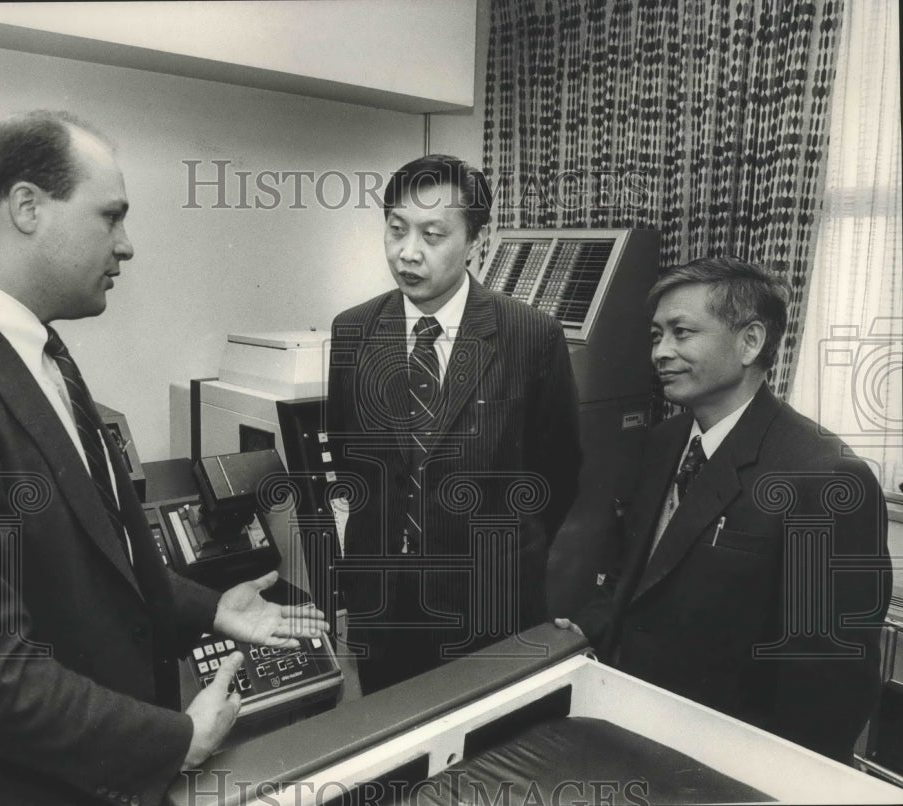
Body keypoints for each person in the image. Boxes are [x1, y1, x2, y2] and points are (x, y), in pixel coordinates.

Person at [0, 111, 328, 806]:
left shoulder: (41, 352)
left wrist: (212, 606)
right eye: (111, 217)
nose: (126, 246)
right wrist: (174, 741)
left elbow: (95, 557)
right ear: (27, 208)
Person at [559, 256, 890, 764]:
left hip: (729, 758)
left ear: (750, 342)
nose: (661, 352)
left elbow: (829, 685)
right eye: (656, 335)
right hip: (632, 722)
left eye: (682, 332)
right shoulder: (664, 443)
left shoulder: (825, 477)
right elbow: (637, 575)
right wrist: (583, 628)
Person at [326, 155, 581, 694]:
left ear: (474, 243)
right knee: (391, 761)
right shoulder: (352, 332)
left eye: (432, 234)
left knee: (488, 762)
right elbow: (353, 463)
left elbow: (557, 477)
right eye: (396, 230)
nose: (407, 252)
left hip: (490, 607)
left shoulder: (530, 336)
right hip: (384, 609)